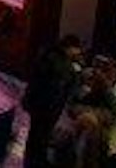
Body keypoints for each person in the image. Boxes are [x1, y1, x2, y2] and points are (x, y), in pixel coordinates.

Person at [23, 36, 86, 168]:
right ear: (70, 47)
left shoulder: (50, 54)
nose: (78, 53)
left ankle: (34, 160)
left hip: (40, 104)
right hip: (46, 106)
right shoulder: (59, 62)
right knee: (40, 135)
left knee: (37, 134)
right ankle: (34, 162)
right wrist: (76, 73)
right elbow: (62, 86)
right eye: (77, 50)